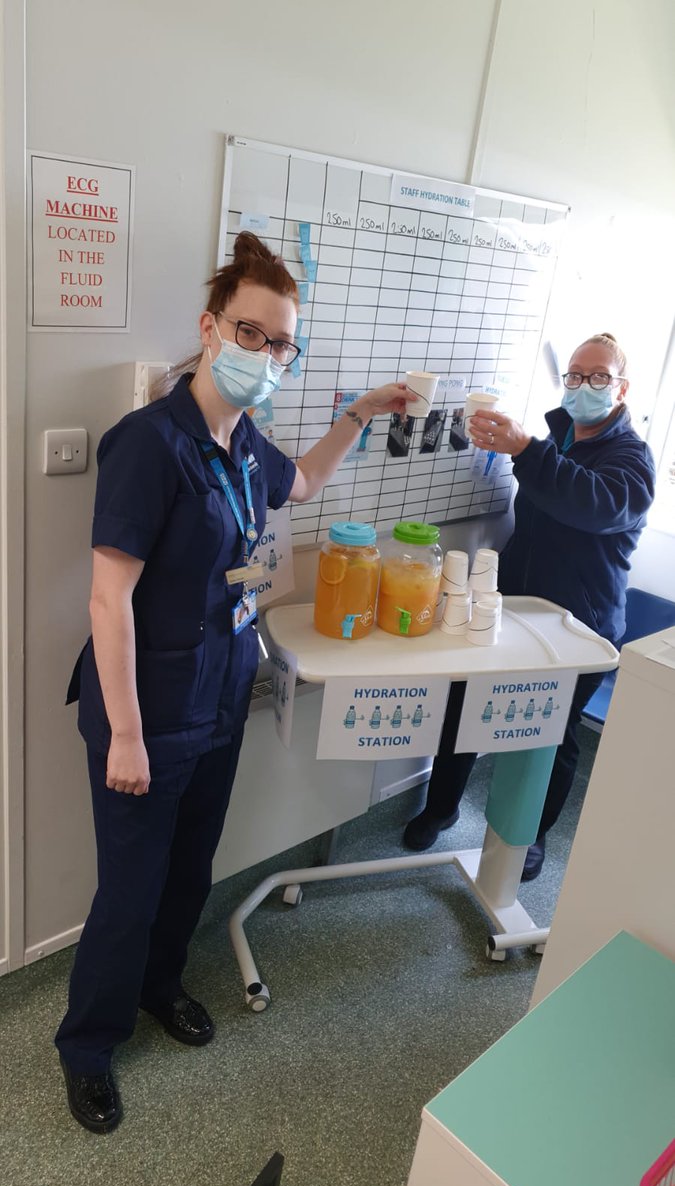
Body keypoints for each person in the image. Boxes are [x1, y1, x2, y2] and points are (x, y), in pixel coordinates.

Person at [56, 232, 414, 1134]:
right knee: (129, 887)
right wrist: (130, 736)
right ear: (211, 329)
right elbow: (108, 601)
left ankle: (159, 988)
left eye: (280, 343)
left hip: (218, 694)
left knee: (190, 869)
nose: (265, 355)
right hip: (146, 708)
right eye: (250, 334)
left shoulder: (245, 441)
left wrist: (361, 413)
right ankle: (88, 1045)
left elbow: (301, 484)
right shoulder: (147, 444)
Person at [403, 332, 656, 880]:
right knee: (466, 704)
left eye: (598, 377)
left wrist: (526, 450)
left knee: (555, 734)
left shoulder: (632, 459)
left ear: (622, 388)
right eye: (574, 374)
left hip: (582, 626)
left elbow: (596, 505)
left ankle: (533, 837)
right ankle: (441, 808)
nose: (583, 385)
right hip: (516, 608)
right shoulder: (557, 438)